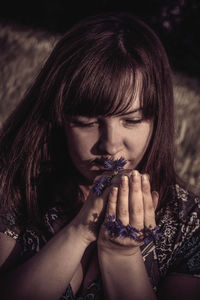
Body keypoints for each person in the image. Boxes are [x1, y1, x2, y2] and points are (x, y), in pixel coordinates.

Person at [0, 12, 199, 300]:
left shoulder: (189, 223)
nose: (110, 146)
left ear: (157, 119)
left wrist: (122, 254)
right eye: (87, 122)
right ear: (58, 118)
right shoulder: (16, 188)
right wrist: (80, 230)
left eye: (131, 121)